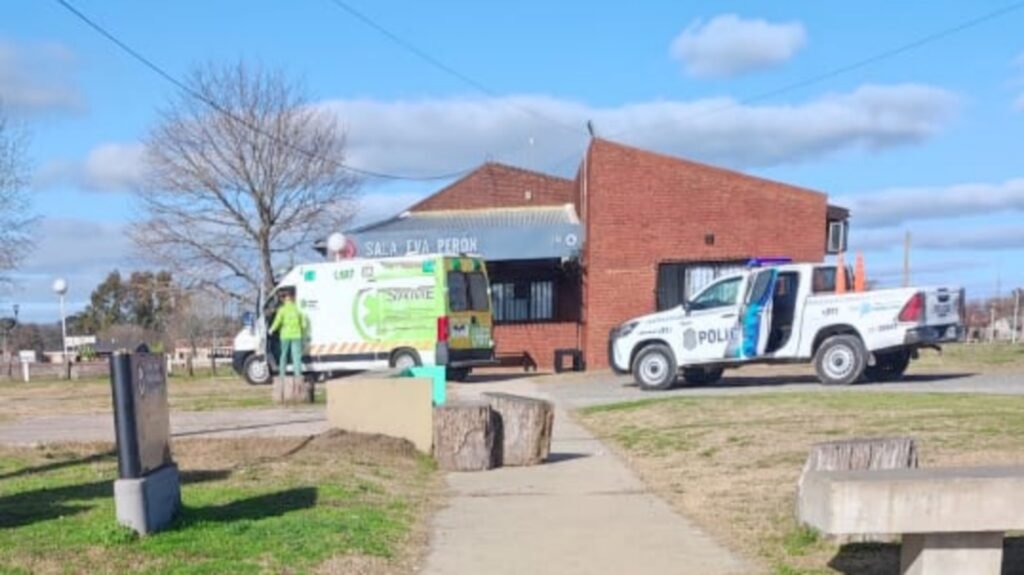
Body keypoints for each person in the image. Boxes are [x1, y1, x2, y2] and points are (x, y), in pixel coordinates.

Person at [269, 289, 307, 382]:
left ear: (285, 299)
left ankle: (282, 374)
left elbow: (277, 321)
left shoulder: (282, 310)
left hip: (285, 335)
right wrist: (303, 332)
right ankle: (297, 375)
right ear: (292, 299)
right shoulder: (297, 309)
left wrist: (271, 330)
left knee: (284, 355)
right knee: (296, 356)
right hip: (296, 335)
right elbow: (304, 323)